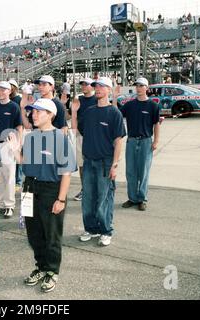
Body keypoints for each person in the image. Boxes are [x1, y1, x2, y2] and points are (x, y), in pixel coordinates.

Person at [8, 98, 76, 293]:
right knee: (34, 233)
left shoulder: (60, 138)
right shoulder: (30, 137)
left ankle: (52, 271)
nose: (33, 114)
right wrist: (15, 152)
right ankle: (41, 266)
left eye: (39, 111)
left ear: (50, 115)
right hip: (30, 187)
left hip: (50, 190)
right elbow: (25, 163)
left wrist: (61, 199)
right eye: (32, 111)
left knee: (51, 233)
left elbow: (66, 172)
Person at [77, 77, 126, 247]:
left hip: (105, 162)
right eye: (96, 86)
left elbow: (118, 140)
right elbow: (82, 131)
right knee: (88, 198)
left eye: (102, 86)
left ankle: (105, 230)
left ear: (109, 90)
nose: (97, 88)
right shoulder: (89, 112)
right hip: (89, 161)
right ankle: (91, 228)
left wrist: (114, 164)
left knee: (104, 199)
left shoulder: (114, 113)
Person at [117, 78, 160, 211]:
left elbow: (156, 124)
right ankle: (132, 198)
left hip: (146, 142)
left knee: (143, 172)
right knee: (130, 171)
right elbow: (116, 115)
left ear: (147, 88)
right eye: (137, 85)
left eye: (141, 86)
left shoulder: (153, 105)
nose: (139, 88)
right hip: (132, 141)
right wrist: (114, 97)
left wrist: (156, 141)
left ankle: (142, 198)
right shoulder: (129, 105)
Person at [0, 81, 22, 218]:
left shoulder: (14, 107)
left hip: (8, 144)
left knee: (9, 176)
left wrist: (17, 144)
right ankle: (0, 203)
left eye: (3, 90)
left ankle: (9, 205)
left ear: (9, 91)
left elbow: (19, 126)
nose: (0, 92)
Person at [70, 78, 98, 202]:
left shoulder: (97, 99)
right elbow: (73, 117)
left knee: (94, 165)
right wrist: (74, 132)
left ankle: (95, 190)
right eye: (82, 84)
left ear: (92, 86)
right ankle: (84, 189)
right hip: (81, 136)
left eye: (86, 84)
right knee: (82, 165)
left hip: (94, 137)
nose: (84, 86)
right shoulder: (78, 99)